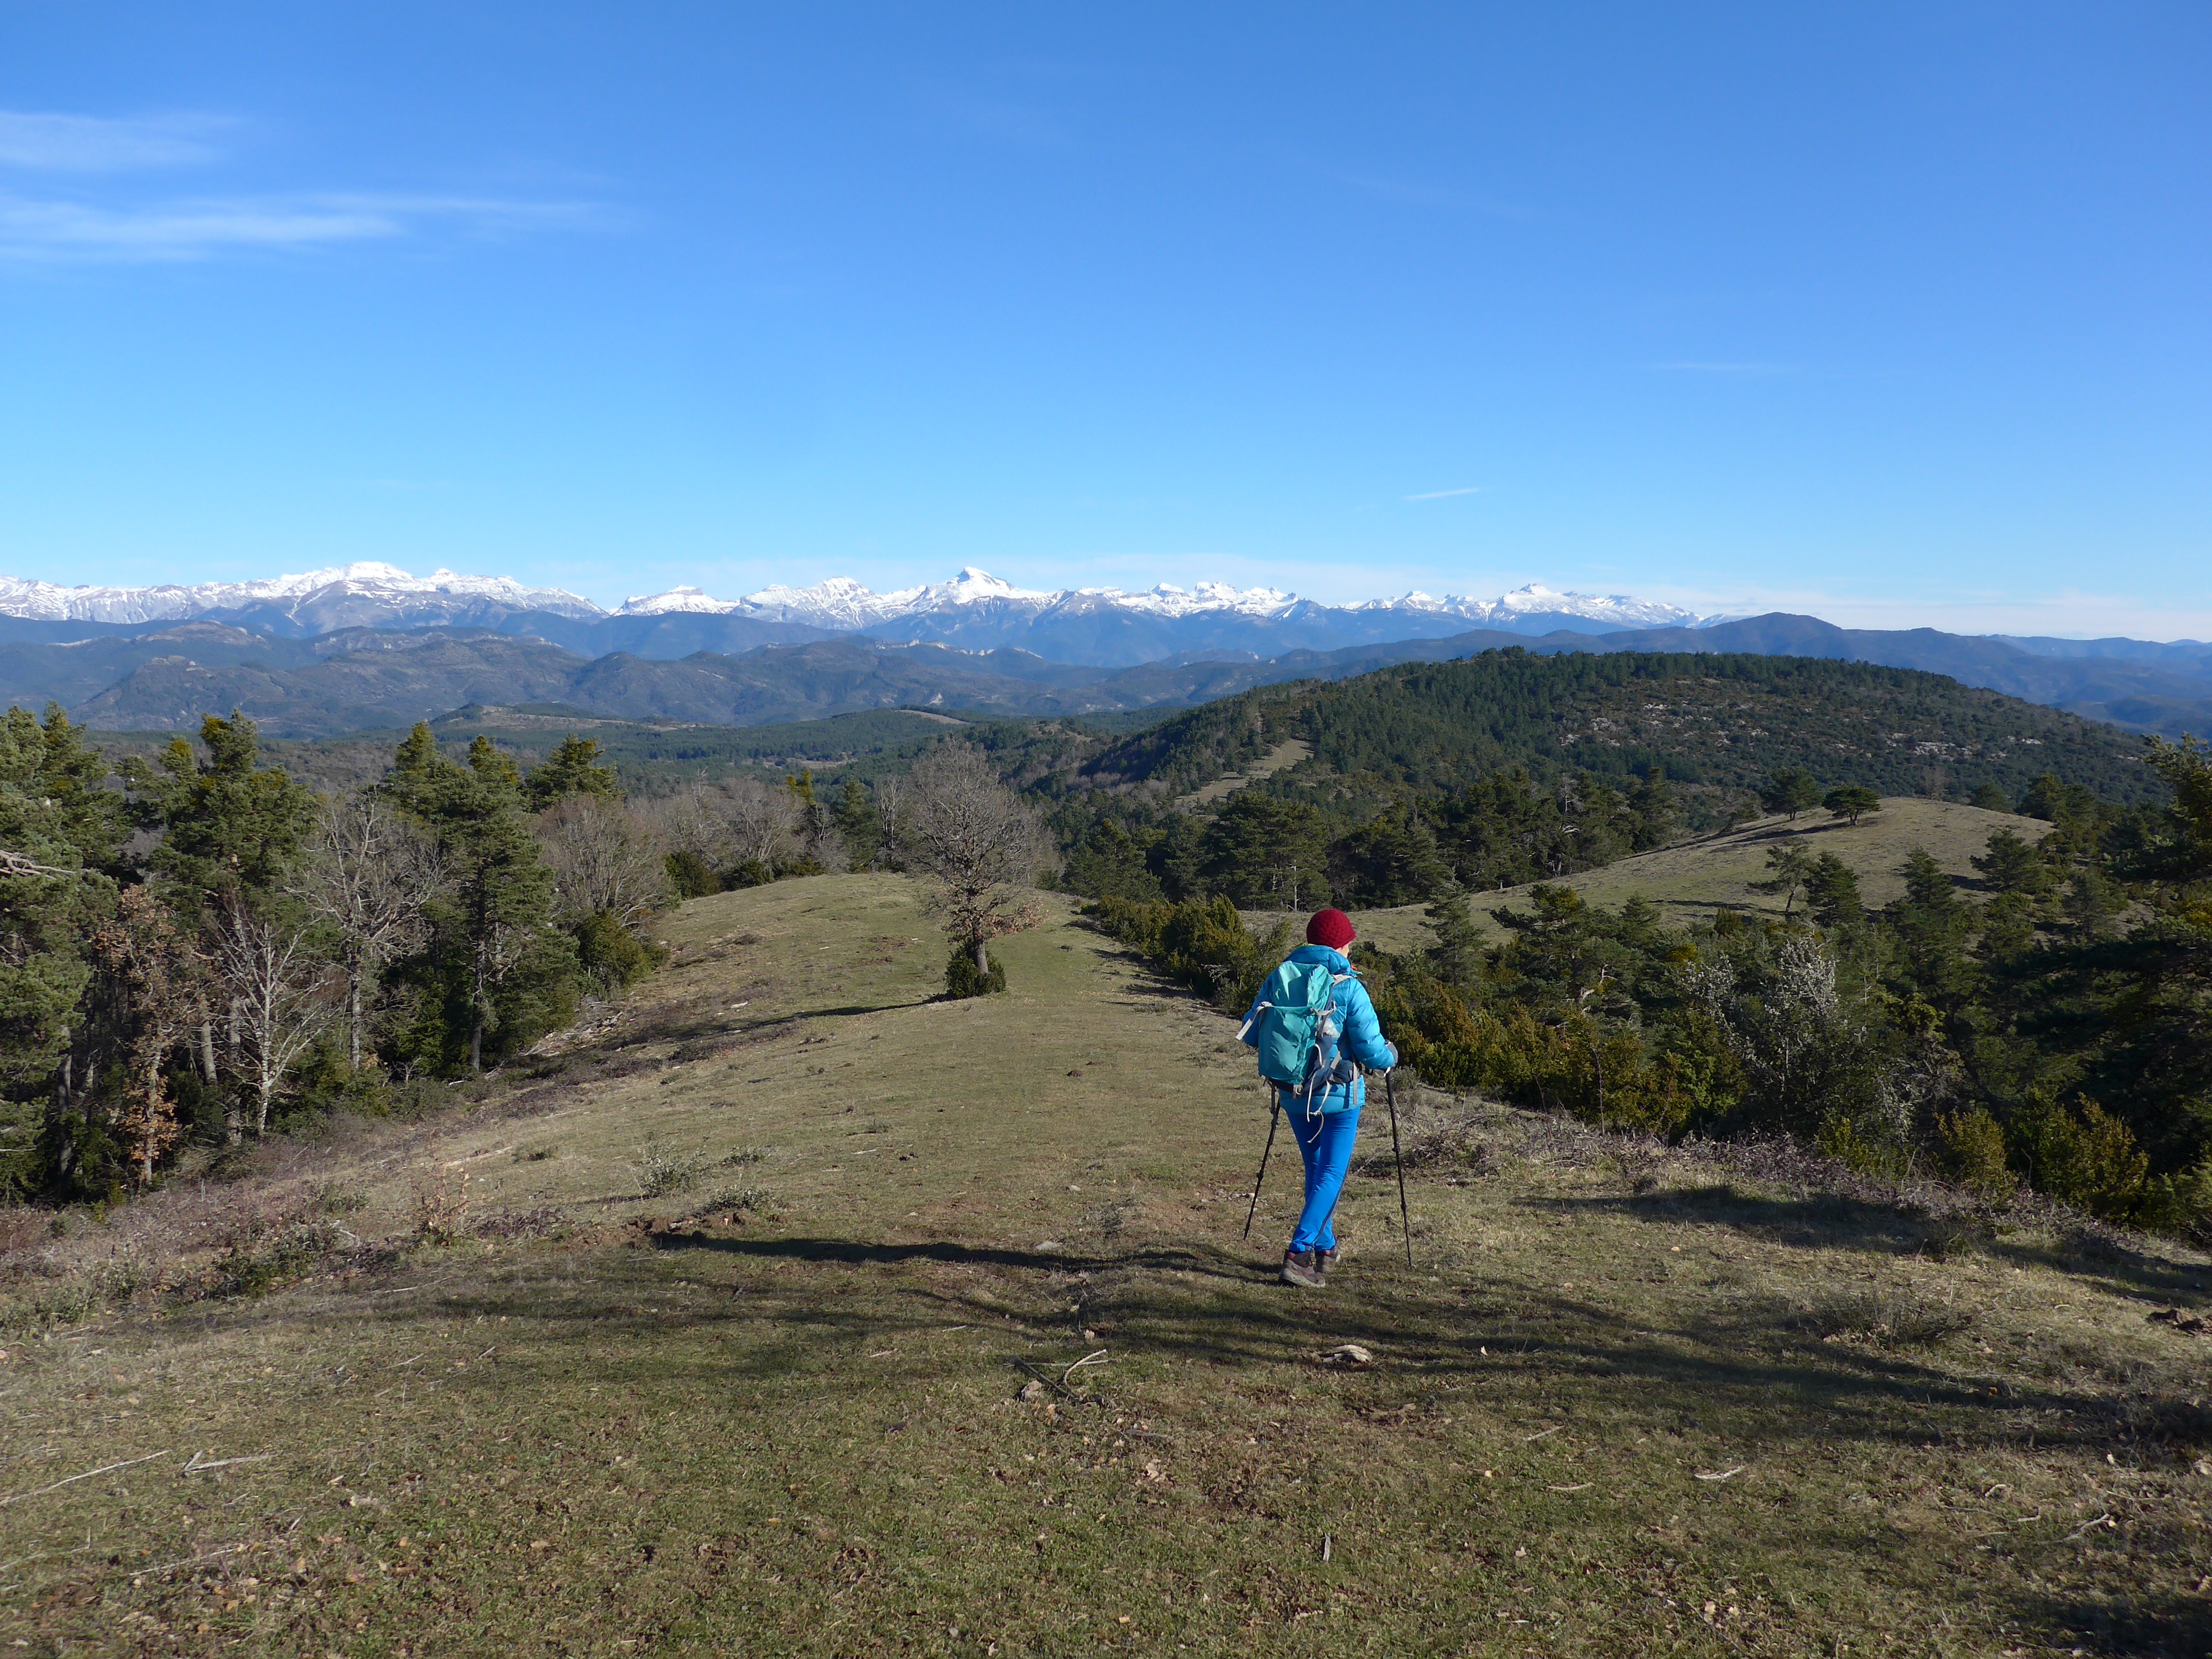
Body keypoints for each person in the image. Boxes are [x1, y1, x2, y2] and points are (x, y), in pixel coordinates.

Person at [1239, 908, 1396, 1287]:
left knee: (1316, 1170)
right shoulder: (1348, 986)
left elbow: (1250, 1031)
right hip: (1340, 1097)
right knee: (1332, 1173)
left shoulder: (1282, 974)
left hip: (1294, 1093)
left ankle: (1326, 1247)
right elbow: (1372, 1049)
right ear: (1343, 943)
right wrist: (1391, 1055)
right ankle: (1298, 1254)